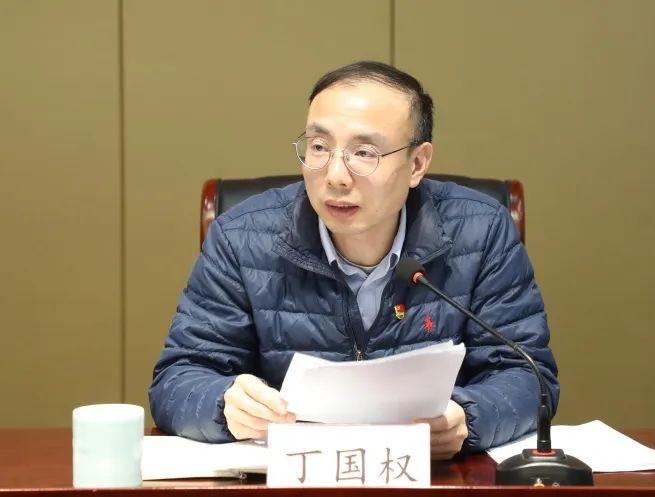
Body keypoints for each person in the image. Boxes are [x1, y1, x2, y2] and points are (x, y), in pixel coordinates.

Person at [150, 61, 559, 459]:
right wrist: (223, 404)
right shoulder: (241, 238)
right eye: (319, 147)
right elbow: (178, 378)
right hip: (293, 477)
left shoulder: (480, 232)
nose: (335, 176)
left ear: (417, 164)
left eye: (364, 152)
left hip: (430, 479)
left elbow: (527, 375)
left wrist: (468, 418)